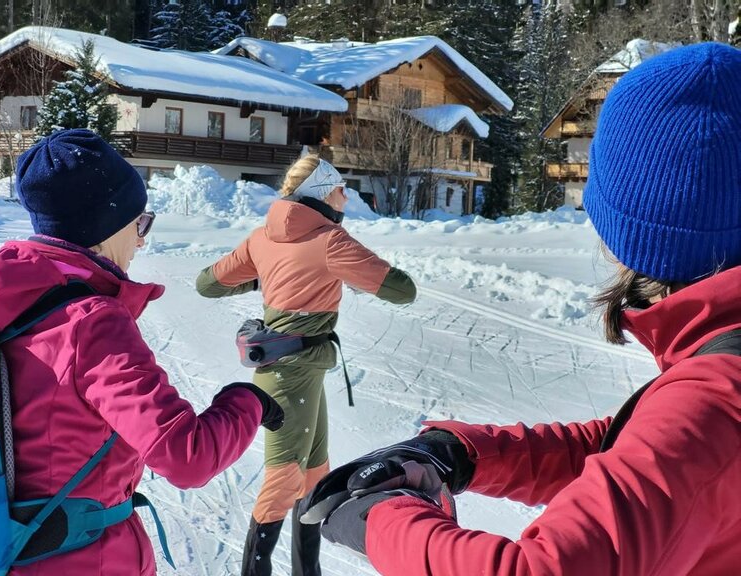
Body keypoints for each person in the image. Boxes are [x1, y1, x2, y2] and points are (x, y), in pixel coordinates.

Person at [298, 42, 741, 575]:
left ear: (633, 228)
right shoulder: (716, 388)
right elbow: (643, 456)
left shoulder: (714, 394)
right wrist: (462, 451)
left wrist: (381, 523)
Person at [0, 128, 283, 575]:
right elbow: (186, 456)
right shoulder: (90, 323)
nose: (141, 241)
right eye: (139, 224)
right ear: (103, 227)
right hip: (82, 561)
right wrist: (247, 402)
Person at [195, 154, 417, 576]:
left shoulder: (263, 238)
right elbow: (402, 289)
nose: (345, 194)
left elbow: (208, 283)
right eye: (339, 187)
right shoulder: (331, 240)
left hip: (298, 369)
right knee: (282, 482)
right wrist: (333, 271)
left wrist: (269, 271)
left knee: (315, 476)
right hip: (289, 373)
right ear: (320, 192)